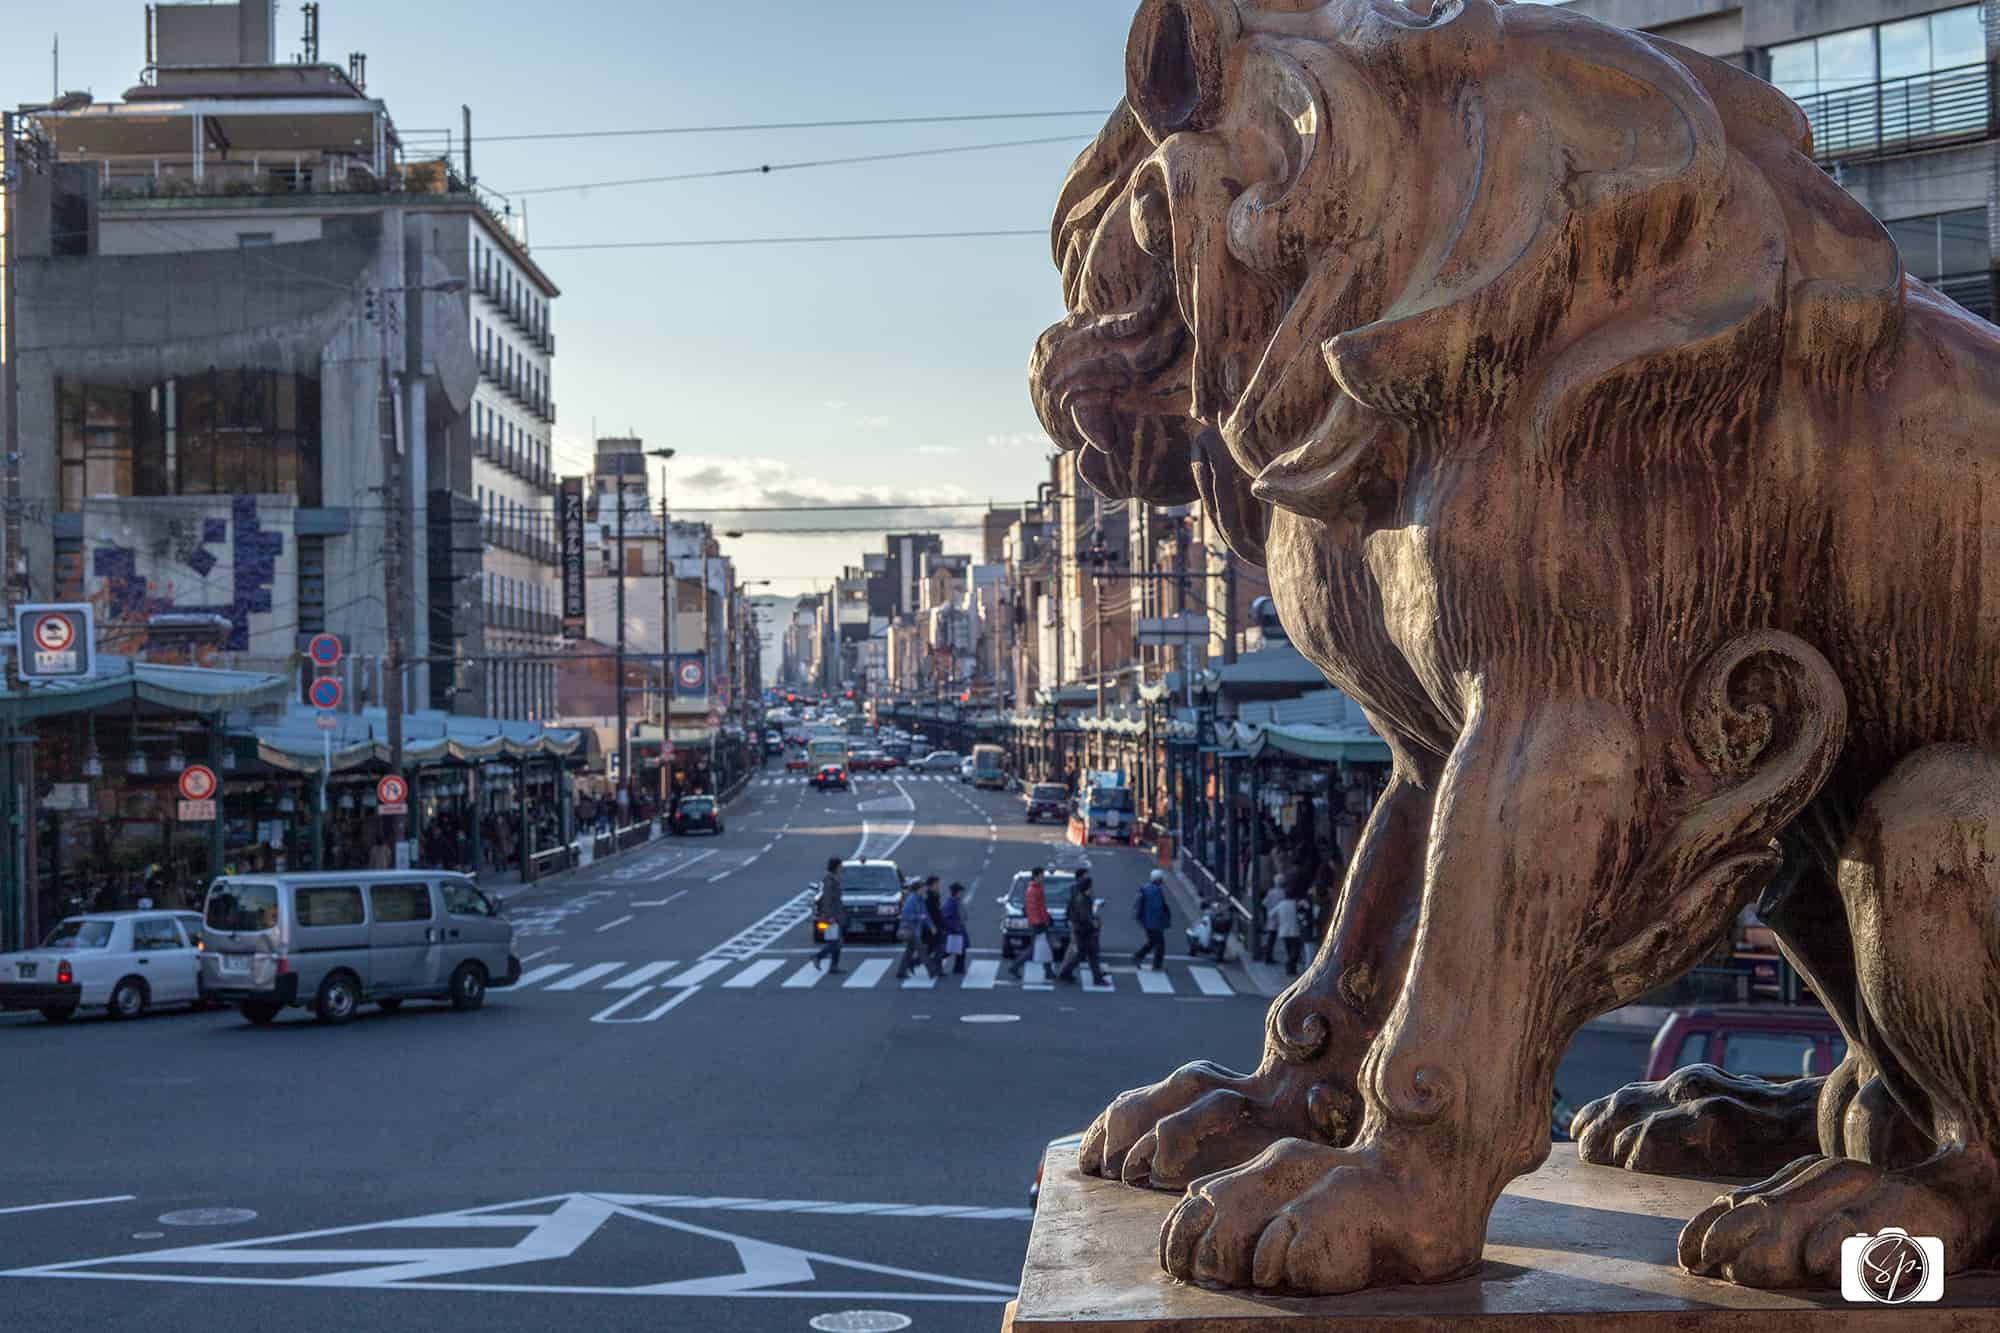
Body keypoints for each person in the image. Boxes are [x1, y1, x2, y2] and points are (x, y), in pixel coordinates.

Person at [1057, 871, 1109, 986]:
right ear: (1087, 887)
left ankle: (1068, 973)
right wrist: (1094, 926)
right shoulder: (1082, 900)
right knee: (1087, 954)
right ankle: (1095, 978)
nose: (1092, 888)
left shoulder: (1084, 897)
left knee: (1088, 954)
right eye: (1091, 886)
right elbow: (1084, 917)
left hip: (1082, 930)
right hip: (1084, 931)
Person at [1008, 866, 1052, 980]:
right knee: (1035, 949)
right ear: (1037, 876)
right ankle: (1015, 966)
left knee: (1044, 947)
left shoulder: (1037, 888)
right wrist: (1039, 922)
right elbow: (1032, 909)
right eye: (1042, 875)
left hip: (1041, 922)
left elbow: (1041, 907)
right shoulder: (1033, 890)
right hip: (1038, 924)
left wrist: (1046, 918)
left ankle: (1048, 971)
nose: (1044, 877)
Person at [895, 880, 939, 980]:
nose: (924, 889)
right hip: (910, 930)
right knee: (921, 950)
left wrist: (931, 926)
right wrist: (919, 917)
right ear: (918, 889)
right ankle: (932, 970)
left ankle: (901, 971)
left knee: (909, 952)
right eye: (923, 888)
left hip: (916, 931)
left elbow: (926, 914)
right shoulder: (911, 900)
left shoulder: (920, 900)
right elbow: (905, 916)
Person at [1133, 868, 1172, 970]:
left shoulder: (1145, 888)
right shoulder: (1156, 890)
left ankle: (1138, 956)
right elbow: (1158, 907)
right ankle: (1155, 964)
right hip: (1154, 922)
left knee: (1152, 942)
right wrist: (1164, 921)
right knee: (1160, 944)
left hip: (1146, 920)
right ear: (1159, 880)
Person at [812, 857, 845, 973]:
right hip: (832, 916)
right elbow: (827, 899)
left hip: (837, 915)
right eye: (840, 866)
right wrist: (830, 916)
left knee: (837, 942)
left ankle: (834, 966)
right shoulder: (829, 879)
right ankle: (818, 957)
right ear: (835, 866)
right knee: (835, 942)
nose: (842, 868)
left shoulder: (834, 878)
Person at [940, 882, 971, 976]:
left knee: (961, 950)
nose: (962, 894)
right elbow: (945, 918)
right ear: (956, 892)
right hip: (954, 931)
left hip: (958, 930)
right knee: (948, 951)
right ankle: (935, 963)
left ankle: (958, 968)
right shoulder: (951, 903)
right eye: (961, 892)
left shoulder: (956, 901)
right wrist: (955, 927)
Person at [1275, 887, 1306, 975]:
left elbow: (1271, 914)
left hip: (1284, 931)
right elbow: (1301, 916)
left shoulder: (1280, 904)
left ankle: (1291, 969)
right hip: (1294, 931)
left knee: (1289, 951)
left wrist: (1279, 921)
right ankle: (1290, 967)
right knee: (1296, 951)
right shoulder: (1295, 904)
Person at [921, 876, 947, 976]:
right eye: (936, 884)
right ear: (931, 885)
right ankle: (937, 969)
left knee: (933, 949)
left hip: (935, 926)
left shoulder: (935, 895)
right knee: (938, 948)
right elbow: (932, 913)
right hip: (931, 927)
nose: (938, 886)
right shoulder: (929, 897)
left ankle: (937, 969)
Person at [1259, 874, 1289, 963]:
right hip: (1282, 918)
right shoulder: (1285, 893)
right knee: (1287, 939)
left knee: (1271, 939)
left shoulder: (1270, 892)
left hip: (1272, 917)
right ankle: (1290, 957)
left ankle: (1268, 956)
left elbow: (1264, 903)